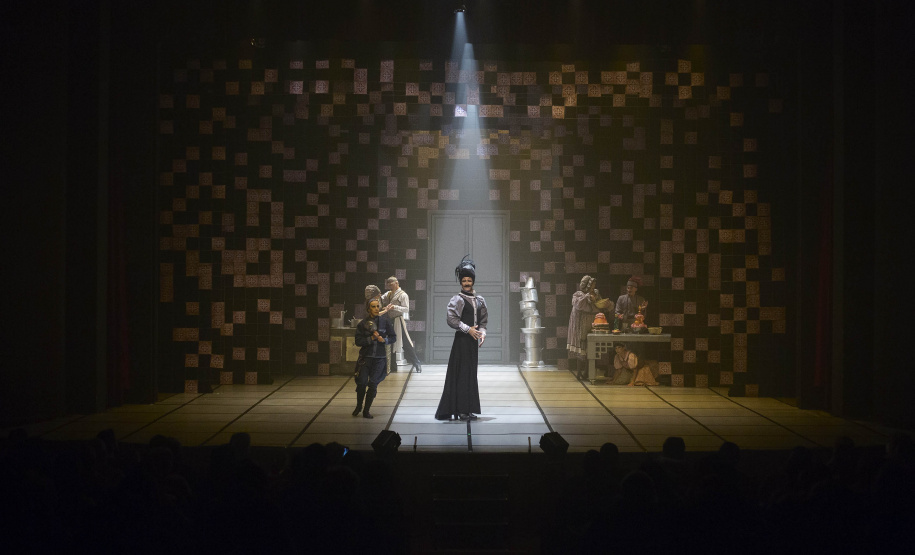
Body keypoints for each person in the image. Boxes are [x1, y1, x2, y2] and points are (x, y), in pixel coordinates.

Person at [435, 255, 487, 421]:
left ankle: (468, 408)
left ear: (473, 281)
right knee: (462, 374)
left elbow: (483, 320)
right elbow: (451, 319)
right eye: (464, 280)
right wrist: (468, 330)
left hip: (472, 343)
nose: (466, 283)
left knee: (471, 374)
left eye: (469, 280)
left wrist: (482, 333)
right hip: (462, 342)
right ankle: (461, 410)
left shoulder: (479, 300)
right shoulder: (457, 299)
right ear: (461, 282)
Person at [352, 297, 396, 419]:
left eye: (378, 306)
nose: (376, 309)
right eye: (373, 306)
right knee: (361, 383)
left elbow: (393, 337)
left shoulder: (385, 321)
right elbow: (358, 341)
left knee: (373, 384)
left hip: (379, 358)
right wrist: (370, 339)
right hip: (366, 358)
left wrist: (384, 340)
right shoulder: (362, 324)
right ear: (368, 309)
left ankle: (366, 410)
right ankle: (359, 406)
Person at [567, 275, 610, 381]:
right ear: (587, 285)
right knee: (582, 346)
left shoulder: (596, 293)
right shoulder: (579, 295)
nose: (593, 286)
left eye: (594, 284)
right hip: (582, 323)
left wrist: (605, 304)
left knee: (592, 347)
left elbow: (600, 304)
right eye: (592, 284)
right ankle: (579, 372)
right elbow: (578, 305)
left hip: (594, 321)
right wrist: (587, 296)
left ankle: (587, 372)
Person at [379, 276, 422, 373]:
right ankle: (393, 367)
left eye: (391, 284)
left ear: (396, 283)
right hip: (390, 321)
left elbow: (406, 309)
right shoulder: (389, 294)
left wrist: (395, 307)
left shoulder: (403, 295)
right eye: (388, 285)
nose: (390, 287)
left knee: (406, 342)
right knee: (391, 342)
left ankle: (416, 363)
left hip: (399, 320)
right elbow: (381, 299)